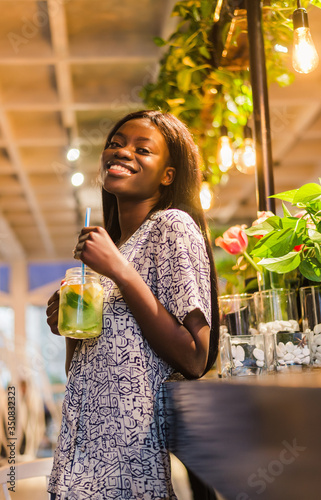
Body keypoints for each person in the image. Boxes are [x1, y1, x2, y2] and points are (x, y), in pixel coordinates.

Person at [46, 109, 219, 499]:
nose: (122, 152)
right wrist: (68, 324)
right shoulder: (115, 247)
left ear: (168, 175)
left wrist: (121, 271)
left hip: (131, 462)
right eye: (116, 143)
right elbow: (84, 369)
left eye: (143, 149)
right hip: (80, 450)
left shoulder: (171, 226)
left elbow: (195, 356)